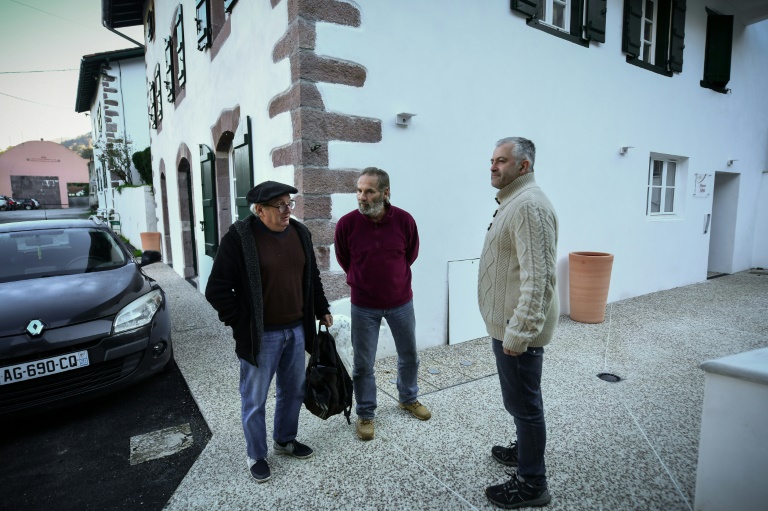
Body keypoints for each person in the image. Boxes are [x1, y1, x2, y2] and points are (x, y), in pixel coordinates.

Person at [205, 180, 333, 483]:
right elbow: (217, 290)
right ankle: (257, 454)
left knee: (293, 391)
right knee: (255, 398)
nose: (288, 210)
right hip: (262, 336)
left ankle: (285, 439)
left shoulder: (300, 233)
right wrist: (241, 322)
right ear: (259, 210)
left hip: (296, 330)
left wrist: (321, 307)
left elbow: (311, 276)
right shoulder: (239, 238)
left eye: (290, 203)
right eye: (281, 205)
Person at [478, 137, 559, 509]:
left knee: (525, 405)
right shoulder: (514, 201)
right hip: (507, 325)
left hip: (516, 329)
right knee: (518, 402)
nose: (493, 166)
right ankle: (523, 450)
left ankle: (531, 482)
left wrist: (521, 331)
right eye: (492, 160)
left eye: (502, 161)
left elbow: (538, 277)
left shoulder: (528, 205)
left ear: (523, 166)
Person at [334, 167, 431, 441]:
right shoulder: (347, 224)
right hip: (363, 305)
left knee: (409, 355)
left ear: (385, 193)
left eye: (369, 191)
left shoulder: (404, 221)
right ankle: (366, 413)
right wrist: (362, 278)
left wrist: (392, 281)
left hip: (401, 302)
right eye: (359, 191)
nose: (362, 197)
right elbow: (344, 258)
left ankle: (408, 398)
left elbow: (410, 254)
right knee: (363, 363)